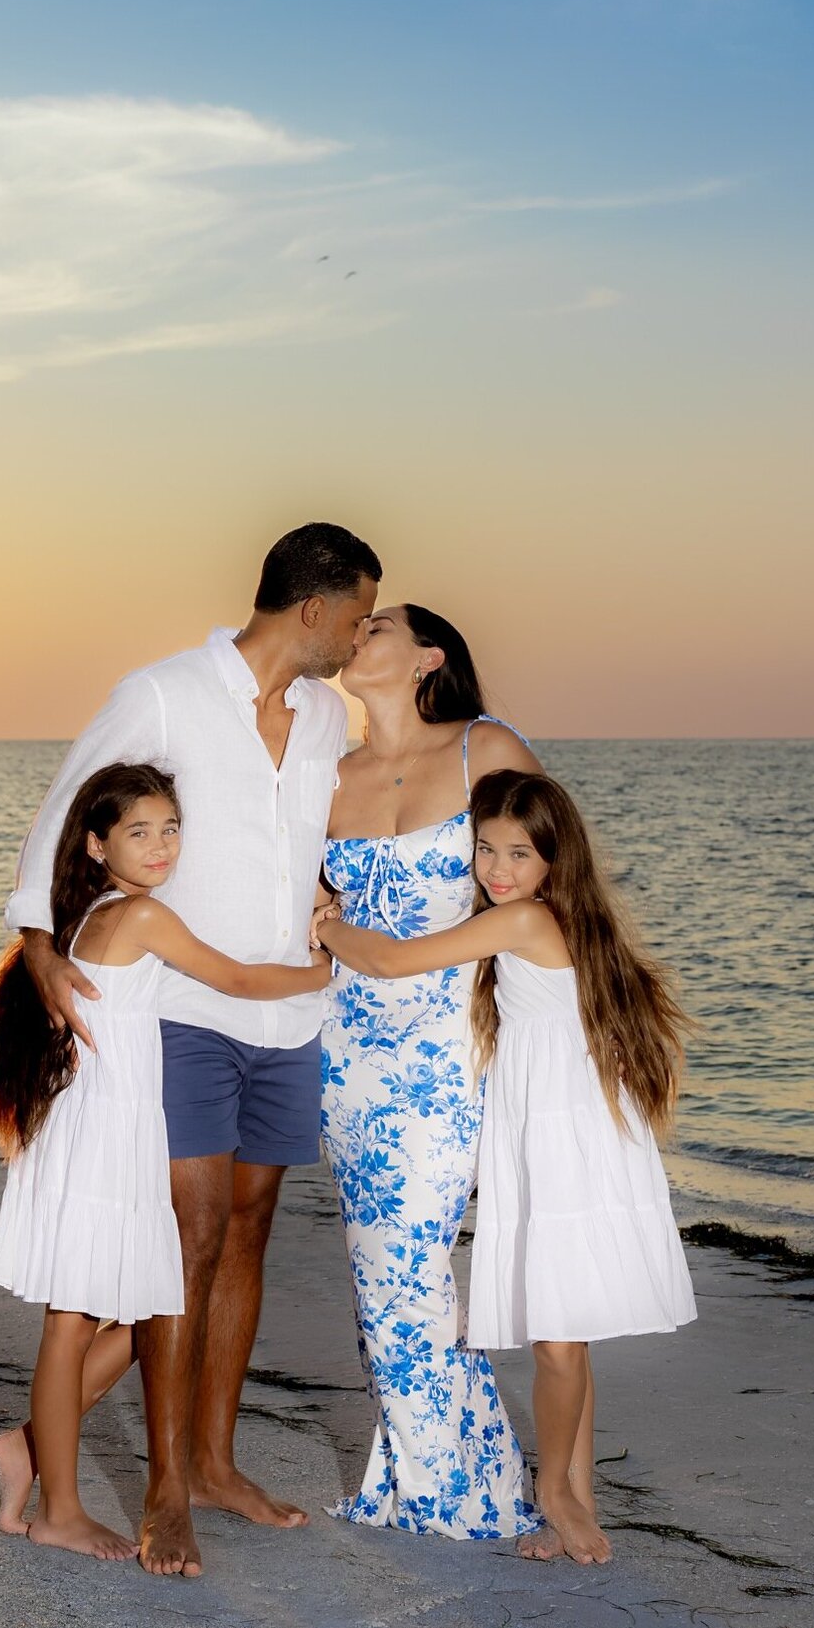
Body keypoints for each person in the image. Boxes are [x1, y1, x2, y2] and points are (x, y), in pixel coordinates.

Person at [4, 523, 381, 1576]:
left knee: (248, 1232)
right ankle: (165, 1490)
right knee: (191, 1236)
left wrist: (329, 901)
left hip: (288, 1020)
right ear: (314, 609)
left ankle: (214, 1463)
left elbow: (304, 845)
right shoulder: (163, 695)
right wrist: (39, 950)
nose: (359, 638)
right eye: (357, 619)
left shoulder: (323, 717)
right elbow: (65, 812)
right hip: (186, 1012)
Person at [317, 768, 697, 1565]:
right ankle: (577, 1501)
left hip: (557, 1140)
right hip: (574, 1133)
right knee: (569, 1334)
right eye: (485, 849)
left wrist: (330, 926)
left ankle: (553, 1492)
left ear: (554, 859)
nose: (496, 868)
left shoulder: (523, 920)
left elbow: (392, 962)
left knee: (558, 1339)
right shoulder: (562, 919)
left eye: (519, 853)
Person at [0, 763, 332, 1561]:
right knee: (75, 1320)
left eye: (171, 829)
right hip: (107, 1137)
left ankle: (27, 1453)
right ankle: (58, 1509)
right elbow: (236, 978)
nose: (162, 847)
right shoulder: (139, 915)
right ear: (97, 846)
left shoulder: (90, 914)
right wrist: (325, 969)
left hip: (102, 1129)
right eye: (139, 832)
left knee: (145, 1303)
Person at [316, 604, 545, 1538]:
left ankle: (445, 1494)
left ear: (427, 658)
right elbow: (301, 904)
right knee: (383, 1274)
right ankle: (465, 1477)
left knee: (409, 1268)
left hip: (446, 1050)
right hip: (344, 1051)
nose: (357, 632)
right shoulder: (331, 776)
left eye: (378, 626)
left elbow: (550, 875)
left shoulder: (484, 749)